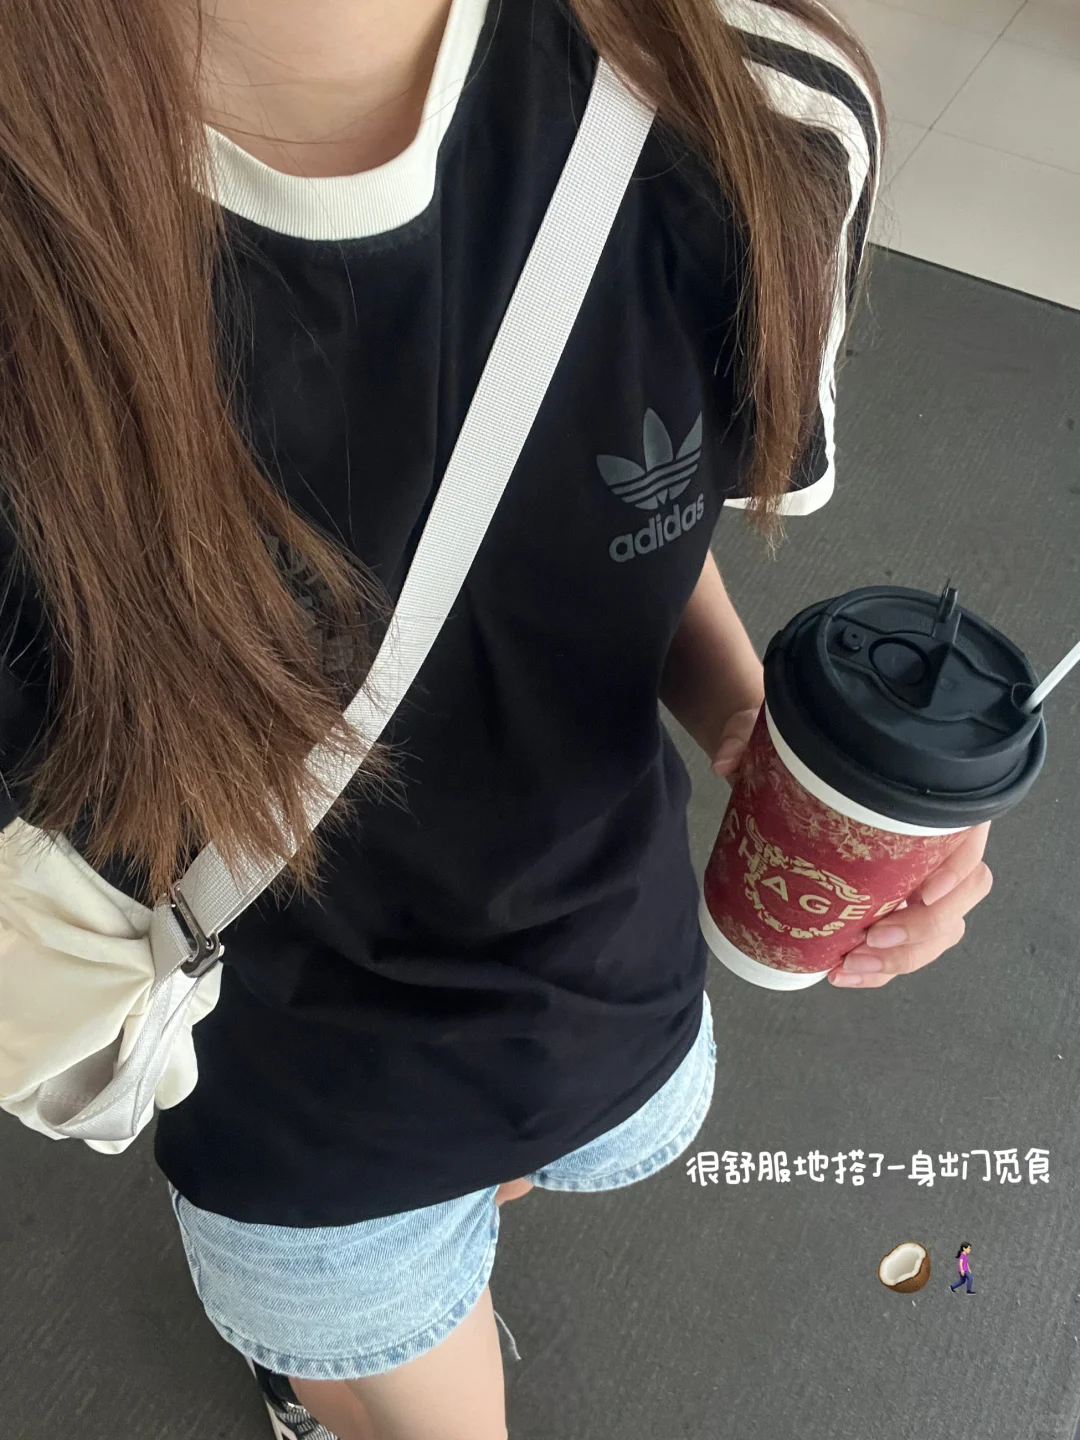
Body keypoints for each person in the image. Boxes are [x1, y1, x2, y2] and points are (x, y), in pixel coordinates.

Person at [0, 1, 996, 1436]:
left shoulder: (755, 109)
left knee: (467, 1238)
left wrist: (786, 746)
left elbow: (609, 512)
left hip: (609, 994)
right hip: (300, 1093)